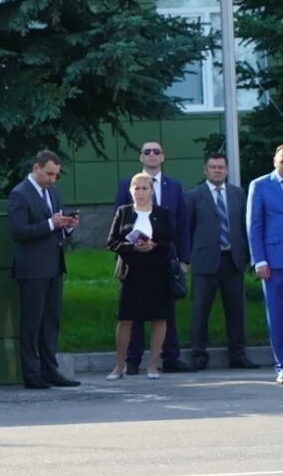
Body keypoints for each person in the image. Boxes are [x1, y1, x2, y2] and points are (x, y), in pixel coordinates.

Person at [113, 140, 190, 373]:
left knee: (164, 312)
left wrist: (184, 258)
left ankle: (169, 358)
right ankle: (132, 360)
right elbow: (117, 227)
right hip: (133, 263)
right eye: (147, 151)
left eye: (157, 152)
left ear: (163, 157)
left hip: (164, 259)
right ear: (141, 157)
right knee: (132, 314)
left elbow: (182, 224)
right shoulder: (127, 184)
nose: (152, 155)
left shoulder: (174, 186)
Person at [6, 150, 80, 388]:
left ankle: (51, 370)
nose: (52, 179)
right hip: (32, 268)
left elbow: (54, 226)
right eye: (49, 174)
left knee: (51, 320)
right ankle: (31, 373)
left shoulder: (52, 192)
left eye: (56, 175)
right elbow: (18, 232)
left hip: (53, 265)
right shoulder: (20, 194)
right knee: (32, 322)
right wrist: (51, 224)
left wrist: (67, 226)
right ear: (36, 168)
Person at [187, 154, 256, 371]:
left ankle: (238, 355)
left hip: (233, 261)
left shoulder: (238, 194)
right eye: (213, 167)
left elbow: (246, 226)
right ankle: (198, 355)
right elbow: (187, 230)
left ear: (226, 170)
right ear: (205, 170)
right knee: (200, 312)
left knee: (236, 312)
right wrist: (186, 259)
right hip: (204, 262)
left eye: (221, 167)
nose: (217, 171)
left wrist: (246, 256)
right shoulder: (193, 196)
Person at [105, 174, 177, 380]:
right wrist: (132, 247)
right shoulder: (123, 212)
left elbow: (170, 240)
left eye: (145, 188)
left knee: (158, 317)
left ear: (151, 191)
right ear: (131, 191)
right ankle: (120, 366)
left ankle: (153, 365)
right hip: (131, 272)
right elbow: (112, 242)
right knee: (126, 318)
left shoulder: (162, 213)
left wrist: (154, 245)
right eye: (137, 188)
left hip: (157, 272)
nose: (141, 192)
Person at [246, 144, 283, 384]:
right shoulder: (259, 185)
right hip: (274, 261)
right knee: (277, 316)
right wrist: (259, 259)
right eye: (282, 160)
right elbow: (254, 225)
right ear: (275, 161)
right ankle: (281, 365)